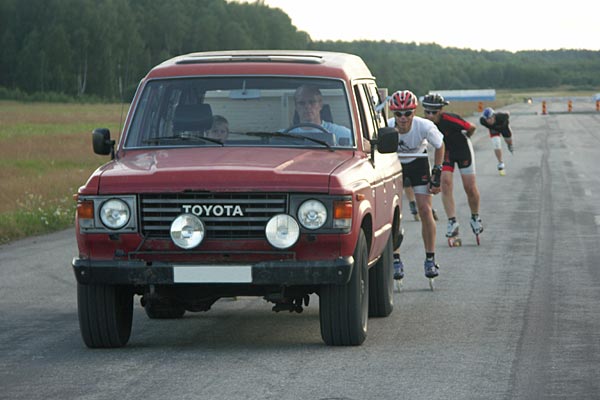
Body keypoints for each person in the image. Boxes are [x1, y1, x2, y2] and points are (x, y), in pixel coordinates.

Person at [387, 90, 445, 281]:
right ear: (392, 114)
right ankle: (395, 258)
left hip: (418, 162)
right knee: (393, 213)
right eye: (398, 114)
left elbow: (440, 145)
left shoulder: (424, 126)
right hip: (397, 164)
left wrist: (437, 172)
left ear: (414, 112)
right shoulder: (386, 127)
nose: (403, 118)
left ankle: (430, 258)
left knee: (425, 210)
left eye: (408, 113)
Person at [422, 93, 483, 240]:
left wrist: (467, 136)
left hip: (462, 149)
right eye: (427, 112)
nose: (430, 115)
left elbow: (472, 127)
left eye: (434, 112)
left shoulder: (450, 119)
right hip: (446, 152)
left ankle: (475, 217)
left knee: (469, 187)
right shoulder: (425, 124)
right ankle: (452, 221)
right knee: (446, 183)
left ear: (441, 111)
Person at [479, 107, 514, 175]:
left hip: (504, 128)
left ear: (494, 116)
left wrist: (506, 114)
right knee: (496, 144)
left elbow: (507, 113)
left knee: (509, 140)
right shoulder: (482, 121)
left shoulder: (501, 116)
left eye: (490, 118)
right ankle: (500, 162)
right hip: (494, 129)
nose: (489, 121)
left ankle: (510, 145)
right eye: (487, 119)